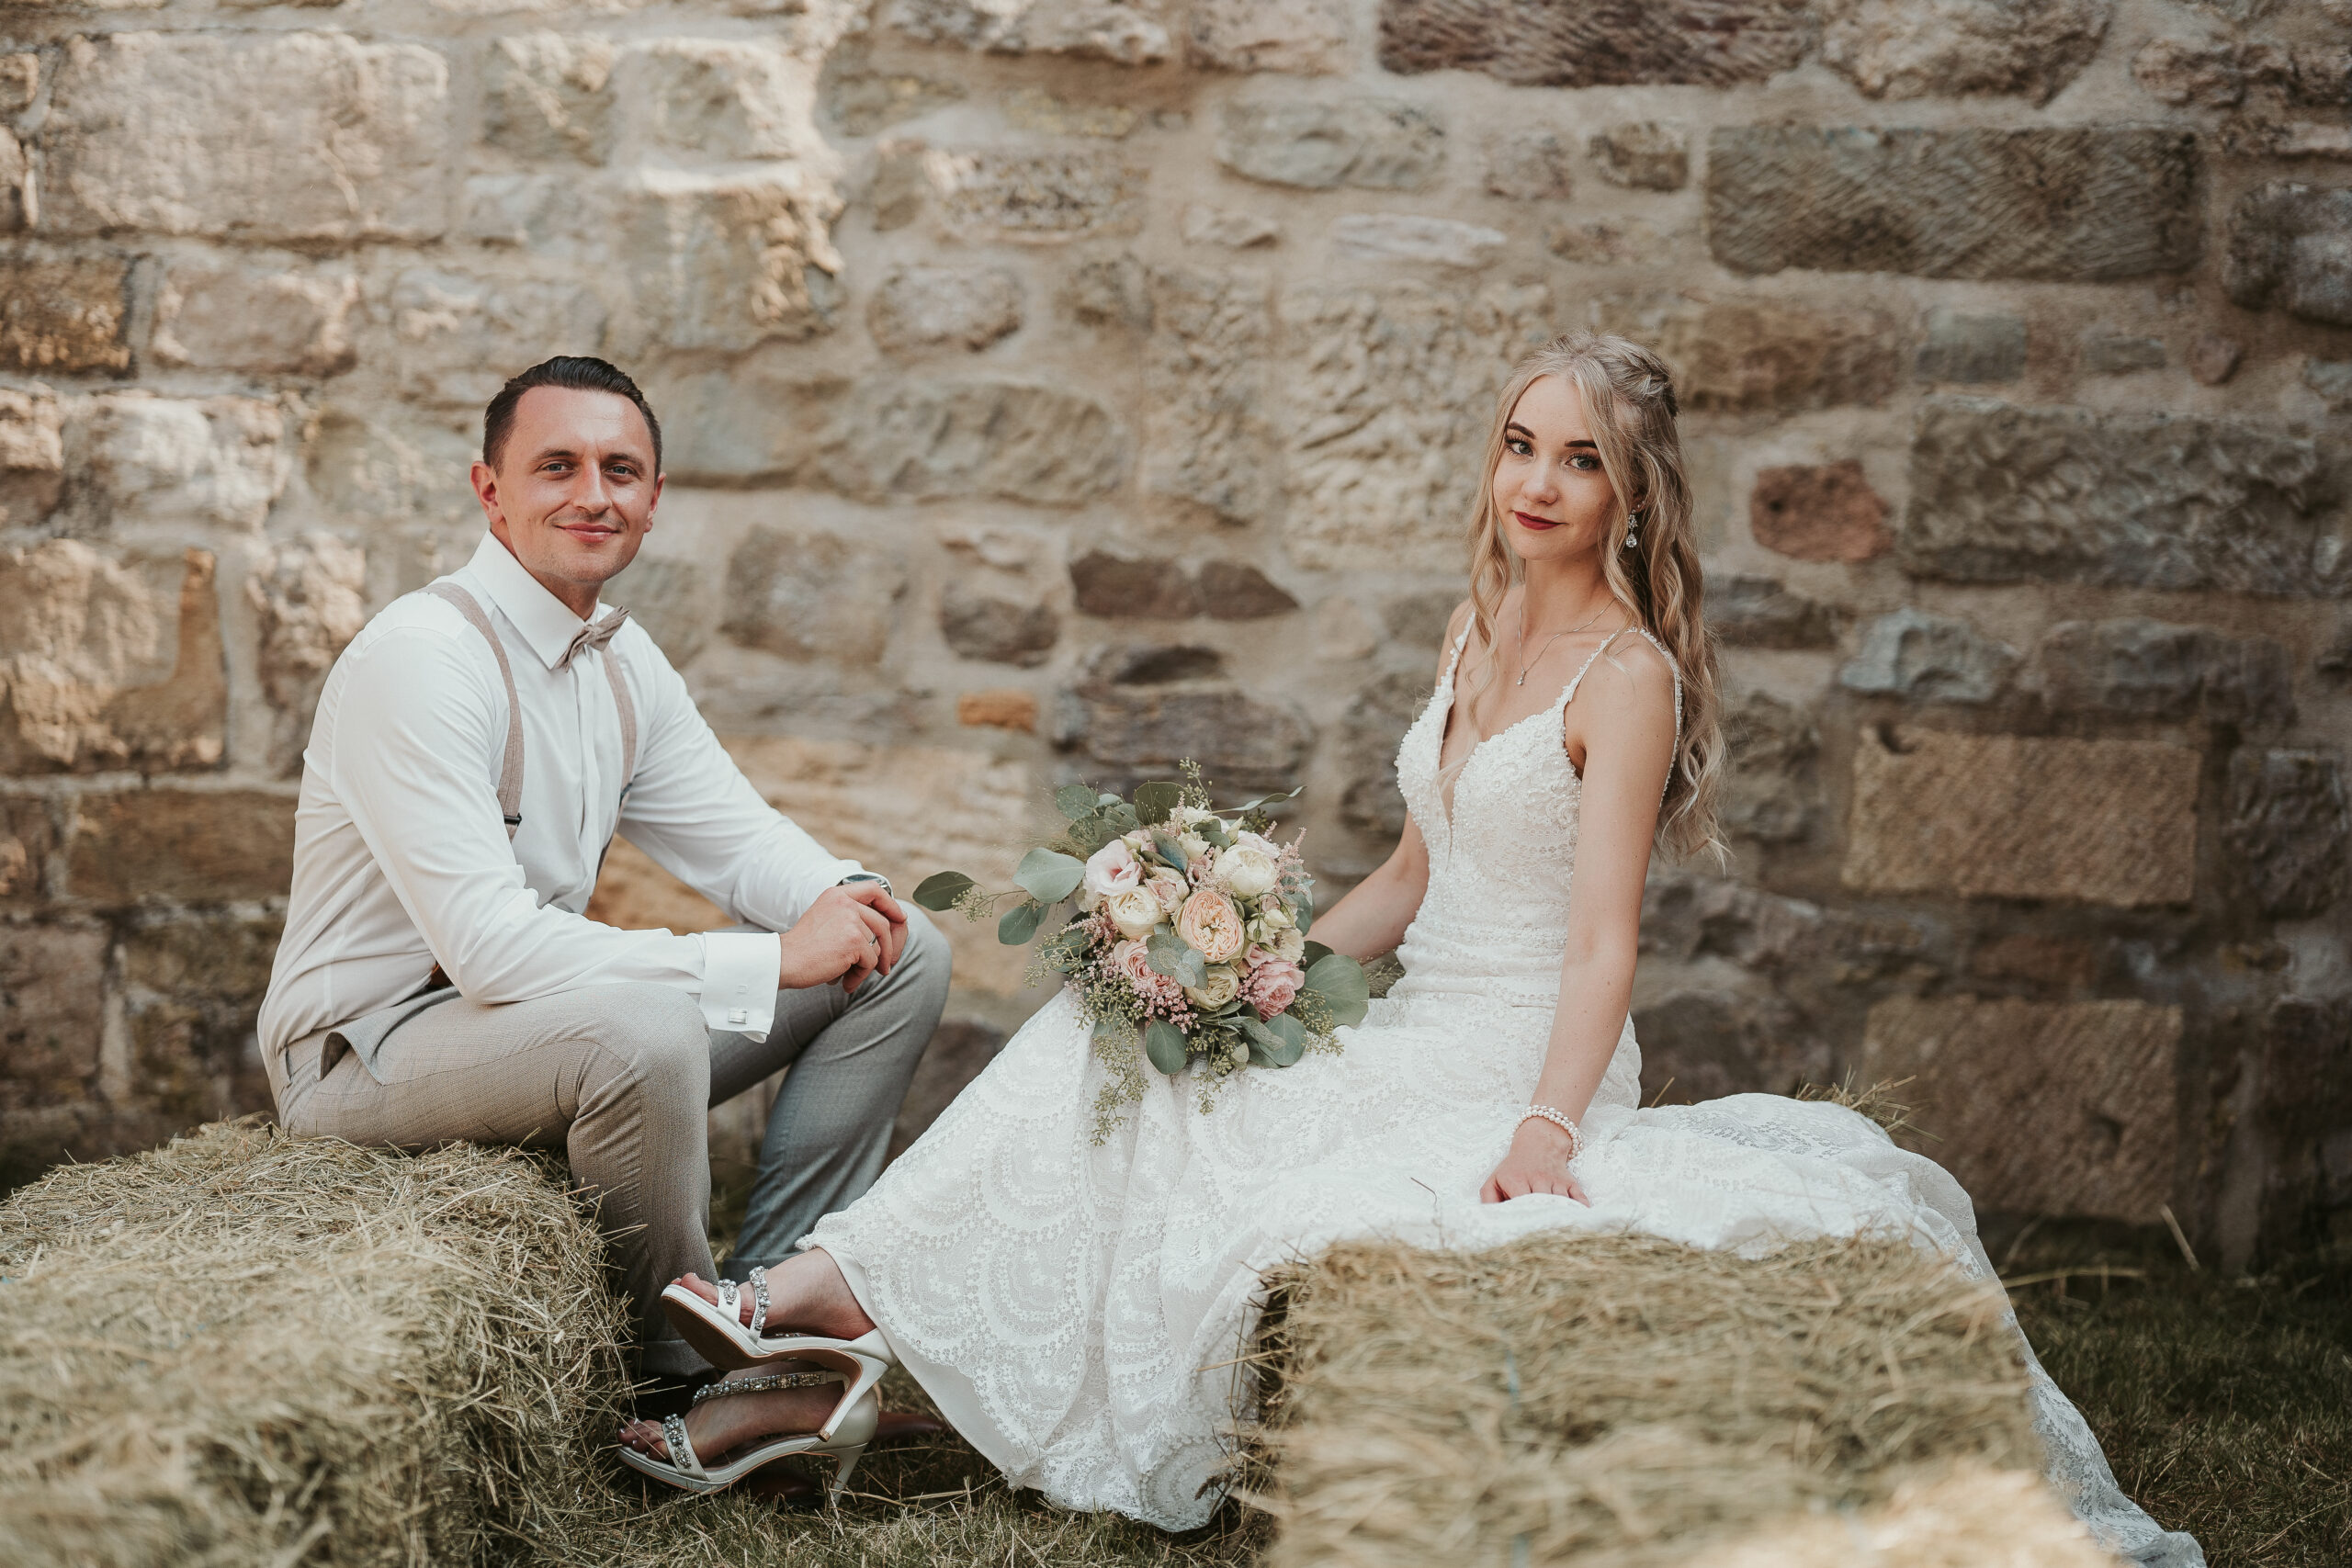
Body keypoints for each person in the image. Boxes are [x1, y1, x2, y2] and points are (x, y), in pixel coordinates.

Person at [616, 334, 2201, 1565]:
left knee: (1204, 1128)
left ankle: (813, 1302)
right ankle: (835, 1300)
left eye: (1582, 459)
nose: (1540, 481)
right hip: (1414, 1002)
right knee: (1118, 1038)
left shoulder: (1627, 679)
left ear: (1634, 495)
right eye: (1522, 444)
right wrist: (1237, 965)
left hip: (1513, 1048)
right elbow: (1409, 871)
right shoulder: (1478, 625)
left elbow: (1604, 942)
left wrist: (1546, 1124)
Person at [259, 355, 951, 1390]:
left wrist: (846, 898)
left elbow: (739, 838)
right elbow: (491, 951)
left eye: (619, 471)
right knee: (642, 1030)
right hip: (364, 1053)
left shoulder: (622, 662)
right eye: (558, 466)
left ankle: (775, 1318)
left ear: (652, 500)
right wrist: (771, 963)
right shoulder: (420, 656)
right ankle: (685, 1375)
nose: (593, 494)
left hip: (539, 1033)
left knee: (904, 948)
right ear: (490, 490)